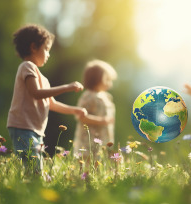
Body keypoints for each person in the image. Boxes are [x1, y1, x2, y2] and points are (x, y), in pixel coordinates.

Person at [7, 24, 87, 172]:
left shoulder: (43, 78)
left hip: (35, 130)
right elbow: (36, 93)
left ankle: (29, 188)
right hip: (23, 126)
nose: (48, 54)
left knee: (35, 169)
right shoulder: (27, 67)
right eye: (46, 49)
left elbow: (52, 104)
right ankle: (30, 190)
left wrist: (76, 110)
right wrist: (67, 87)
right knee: (34, 169)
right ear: (33, 47)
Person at [74, 59, 117, 162]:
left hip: (102, 139)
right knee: (87, 164)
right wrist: (101, 120)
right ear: (97, 79)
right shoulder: (89, 96)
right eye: (107, 79)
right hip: (88, 142)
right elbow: (80, 116)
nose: (110, 83)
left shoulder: (106, 97)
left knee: (100, 163)